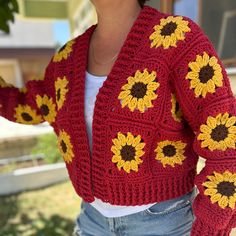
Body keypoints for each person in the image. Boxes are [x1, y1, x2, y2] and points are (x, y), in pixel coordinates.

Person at [0, 0, 235, 235]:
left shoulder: (177, 39)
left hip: (166, 223)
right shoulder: (66, 59)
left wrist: (211, 228)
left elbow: (226, 143)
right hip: (92, 221)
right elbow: (27, 106)